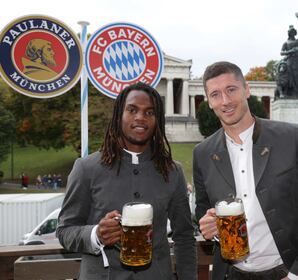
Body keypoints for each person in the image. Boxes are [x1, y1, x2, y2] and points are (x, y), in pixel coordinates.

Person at [193, 61, 298, 280]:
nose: (225, 101)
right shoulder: (202, 153)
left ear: (247, 90)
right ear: (209, 102)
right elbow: (203, 211)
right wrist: (208, 227)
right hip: (230, 273)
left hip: (285, 271)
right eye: (215, 94)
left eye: (231, 90)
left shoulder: (290, 137)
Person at [56, 82, 196, 280]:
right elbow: (65, 231)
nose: (140, 117)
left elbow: (184, 236)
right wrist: (96, 234)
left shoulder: (173, 172)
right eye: (132, 110)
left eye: (150, 112)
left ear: (157, 121)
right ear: (118, 116)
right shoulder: (86, 168)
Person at [279, 13, 298, 98]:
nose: (292, 32)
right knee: (290, 79)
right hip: (290, 62)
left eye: (293, 31)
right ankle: (287, 93)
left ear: (294, 33)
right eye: (290, 32)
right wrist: (290, 51)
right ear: (289, 33)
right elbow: (281, 52)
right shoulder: (286, 43)